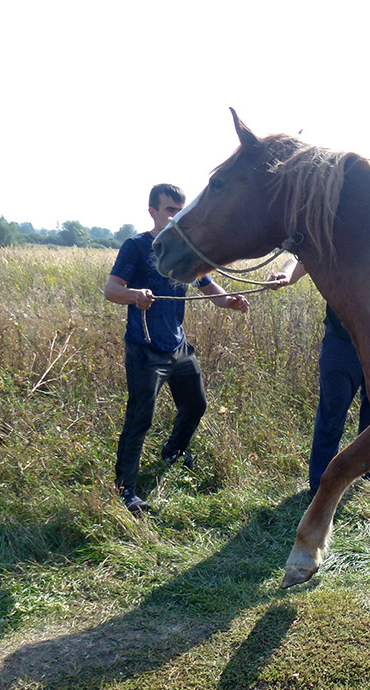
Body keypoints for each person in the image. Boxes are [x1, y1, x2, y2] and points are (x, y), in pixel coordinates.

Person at [104, 183, 249, 514]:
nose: (176, 216)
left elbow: (208, 285)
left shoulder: (183, 249)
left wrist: (230, 301)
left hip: (178, 346)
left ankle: (172, 450)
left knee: (196, 404)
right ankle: (125, 489)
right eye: (170, 210)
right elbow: (111, 289)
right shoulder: (137, 247)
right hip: (145, 348)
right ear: (152, 211)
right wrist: (135, 295)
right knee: (140, 418)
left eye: (180, 210)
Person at [269, 257, 370, 495]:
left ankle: (367, 472)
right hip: (340, 346)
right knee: (331, 414)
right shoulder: (334, 238)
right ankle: (320, 484)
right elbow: (303, 259)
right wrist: (285, 275)